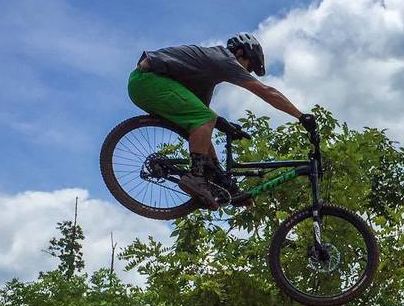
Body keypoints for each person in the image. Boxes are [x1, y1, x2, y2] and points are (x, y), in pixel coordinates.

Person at [127, 32, 318, 209]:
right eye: (249, 66)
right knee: (205, 120)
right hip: (147, 80)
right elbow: (266, 92)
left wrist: (222, 124)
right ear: (241, 52)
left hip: (147, 86)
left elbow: (200, 115)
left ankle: (223, 184)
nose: (247, 72)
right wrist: (300, 116)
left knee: (203, 131)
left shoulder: (208, 76)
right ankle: (196, 177)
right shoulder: (223, 59)